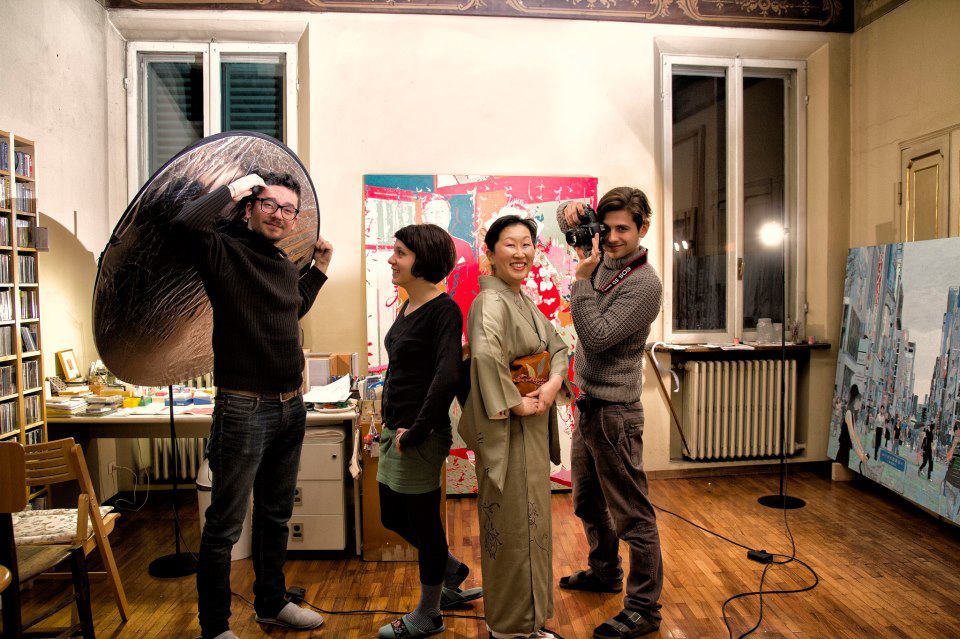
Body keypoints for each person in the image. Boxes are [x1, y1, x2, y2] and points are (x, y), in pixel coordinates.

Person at [173, 171, 333, 639]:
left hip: (290, 406)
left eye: (288, 209)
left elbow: (289, 306)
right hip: (244, 407)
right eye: (269, 204)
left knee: (275, 515)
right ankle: (215, 628)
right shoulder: (223, 250)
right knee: (224, 526)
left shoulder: (282, 261)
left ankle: (271, 604)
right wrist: (237, 185)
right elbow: (184, 224)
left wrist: (320, 269)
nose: (279, 215)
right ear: (248, 208)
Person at [555, 187, 663, 639]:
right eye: (607, 228)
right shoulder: (603, 261)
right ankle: (605, 572)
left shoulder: (645, 284)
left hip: (616, 413)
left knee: (633, 516)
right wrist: (570, 212)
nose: (613, 237)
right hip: (589, 405)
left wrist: (581, 282)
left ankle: (644, 608)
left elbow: (597, 337)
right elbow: (566, 224)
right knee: (586, 501)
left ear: (642, 229)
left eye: (623, 229)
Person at [457, 214, 572, 639]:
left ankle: (531, 622)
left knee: (533, 524)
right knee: (513, 527)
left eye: (527, 244)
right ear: (490, 253)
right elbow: (486, 357)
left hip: (532, 424)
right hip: (510, 430)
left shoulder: (522, 299)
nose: (521, 252)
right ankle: (508, 628)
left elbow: (557, 346)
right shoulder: (489, 302)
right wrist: (516, 403)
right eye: (510, 244)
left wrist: (552, 385)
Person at [376, 223, 481, 639]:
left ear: (423, 261)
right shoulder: (408, 306)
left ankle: (429, 614)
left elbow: (447, 375)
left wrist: (418, 430)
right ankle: (449, 570)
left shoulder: (444, 310)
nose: (391, 259)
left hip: (420, 435)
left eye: (400, 252)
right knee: (391, 515)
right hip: (395, 431)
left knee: (424, 524)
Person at [837, 384, 869, 469]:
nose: (860, 405)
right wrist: (861, 456)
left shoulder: (852, 414)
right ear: (856, 400)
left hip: (846, 450)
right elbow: (852, 438)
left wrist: (863, 452)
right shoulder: (849, 413)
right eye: (860, 401)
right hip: (843, 451)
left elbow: (855, 435)